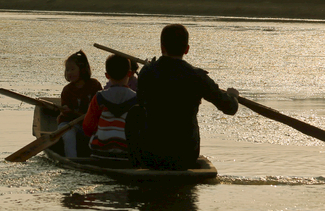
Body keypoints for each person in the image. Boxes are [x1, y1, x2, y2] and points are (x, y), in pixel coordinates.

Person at [132, 24, 239, 170]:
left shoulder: (147, 72)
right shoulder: (197, 76)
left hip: (151, 153)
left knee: (134, 113)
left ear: (162, 47)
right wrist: (233, 96)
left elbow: (140, 101)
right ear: (187, 49)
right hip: (185, 154)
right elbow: (230, 107)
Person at [83, 54, 137, 162]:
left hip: (100, 153)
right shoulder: (136, 99)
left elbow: (88, 128)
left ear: (107, 76)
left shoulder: (99, 98)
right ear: (130, 74)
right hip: (127, 155)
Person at [57, 50, 102, 158]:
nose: (69, 73)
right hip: (70, 123)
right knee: (68, 136)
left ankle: (98, 157)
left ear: (82, 70)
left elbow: (100, 107)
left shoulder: (94, 85)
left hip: (89, 123)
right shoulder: (67, 90)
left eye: (73, 69)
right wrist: (67, 110)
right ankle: (72, 160)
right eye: (67, 70)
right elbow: (67, 113)